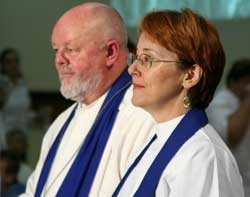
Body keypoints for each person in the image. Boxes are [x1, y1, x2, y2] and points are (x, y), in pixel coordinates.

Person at [20, 2, 155, 197]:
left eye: (71, 49)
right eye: (56, 50)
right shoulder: (60, 124)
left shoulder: (143, 117)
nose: (59, 60)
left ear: (110, 53)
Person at [113, 9, 244, 197]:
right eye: (136, 58)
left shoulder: (202, 155)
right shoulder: (155, 141)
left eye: (147, 59)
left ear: (190, 75)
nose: (132, 69)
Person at [206, 58, 250, 196]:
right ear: (233, 82)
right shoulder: (220, 102)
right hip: (232, 185)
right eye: (247, 82)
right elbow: (232, 135)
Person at [0, 48, 32, 132]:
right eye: (9, 62)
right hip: (4, 132)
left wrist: (38, 115)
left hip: (22, 131)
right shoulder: (2, 84)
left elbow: (25, 112)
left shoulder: (23, 84)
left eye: (15, 61)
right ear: (2, 65)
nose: (13, 65)